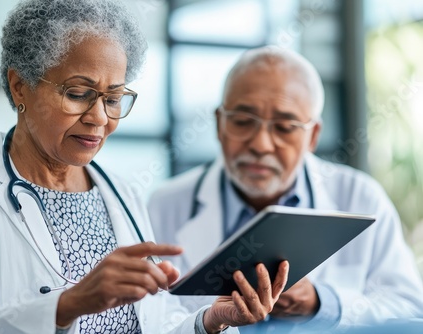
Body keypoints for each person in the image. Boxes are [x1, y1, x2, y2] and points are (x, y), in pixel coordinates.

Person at [0, 2, 290, 334]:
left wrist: (209, 321)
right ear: (20, 87)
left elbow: (154, 322)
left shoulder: (122, 192)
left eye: (113, 98)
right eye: (78, 94)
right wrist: (69, 305)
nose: (100, 118)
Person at [148, 46, 423, 332]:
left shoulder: (360, 197)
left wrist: (321, 304)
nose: (261, 145)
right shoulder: (165, 206)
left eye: (284, 127)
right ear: (220, 123)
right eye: (243, 121)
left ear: (313, 135)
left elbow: (409, 309)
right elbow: (150, 318)